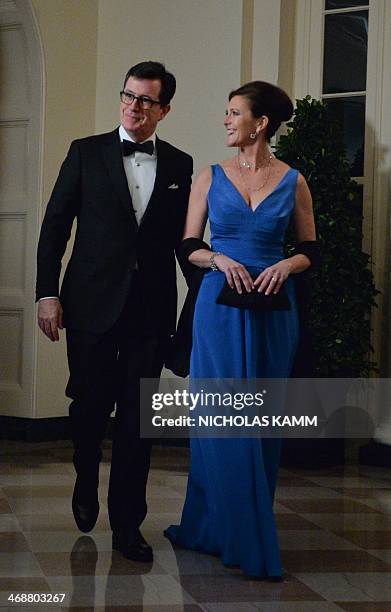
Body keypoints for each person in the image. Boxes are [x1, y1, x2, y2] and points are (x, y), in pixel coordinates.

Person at [36, 61, 193, 562]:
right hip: (89, 306)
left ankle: (128, 524)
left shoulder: (179, 164)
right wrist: (46, 293)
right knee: (87, 410)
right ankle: (85, 477)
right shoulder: (85, 153)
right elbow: (54, 226)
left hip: (150, 312)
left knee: (137, 422)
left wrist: (202, 303)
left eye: (147, 100)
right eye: (128, 95)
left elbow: (181, 243)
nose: (134, 106)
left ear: (164, 109)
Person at [164, 81, 317, 578]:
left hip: (275, 309)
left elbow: (312, 250)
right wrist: (218, 257)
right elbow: (187, 244)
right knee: (219, 418)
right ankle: (225, 530)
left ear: (261, 123)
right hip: (220, 307)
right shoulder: (210, 176)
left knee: (261, 424)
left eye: (234, 113)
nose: (226, 121)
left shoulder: (294, 180)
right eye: (227, 113)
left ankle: (241, 524)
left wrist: (287, 265)